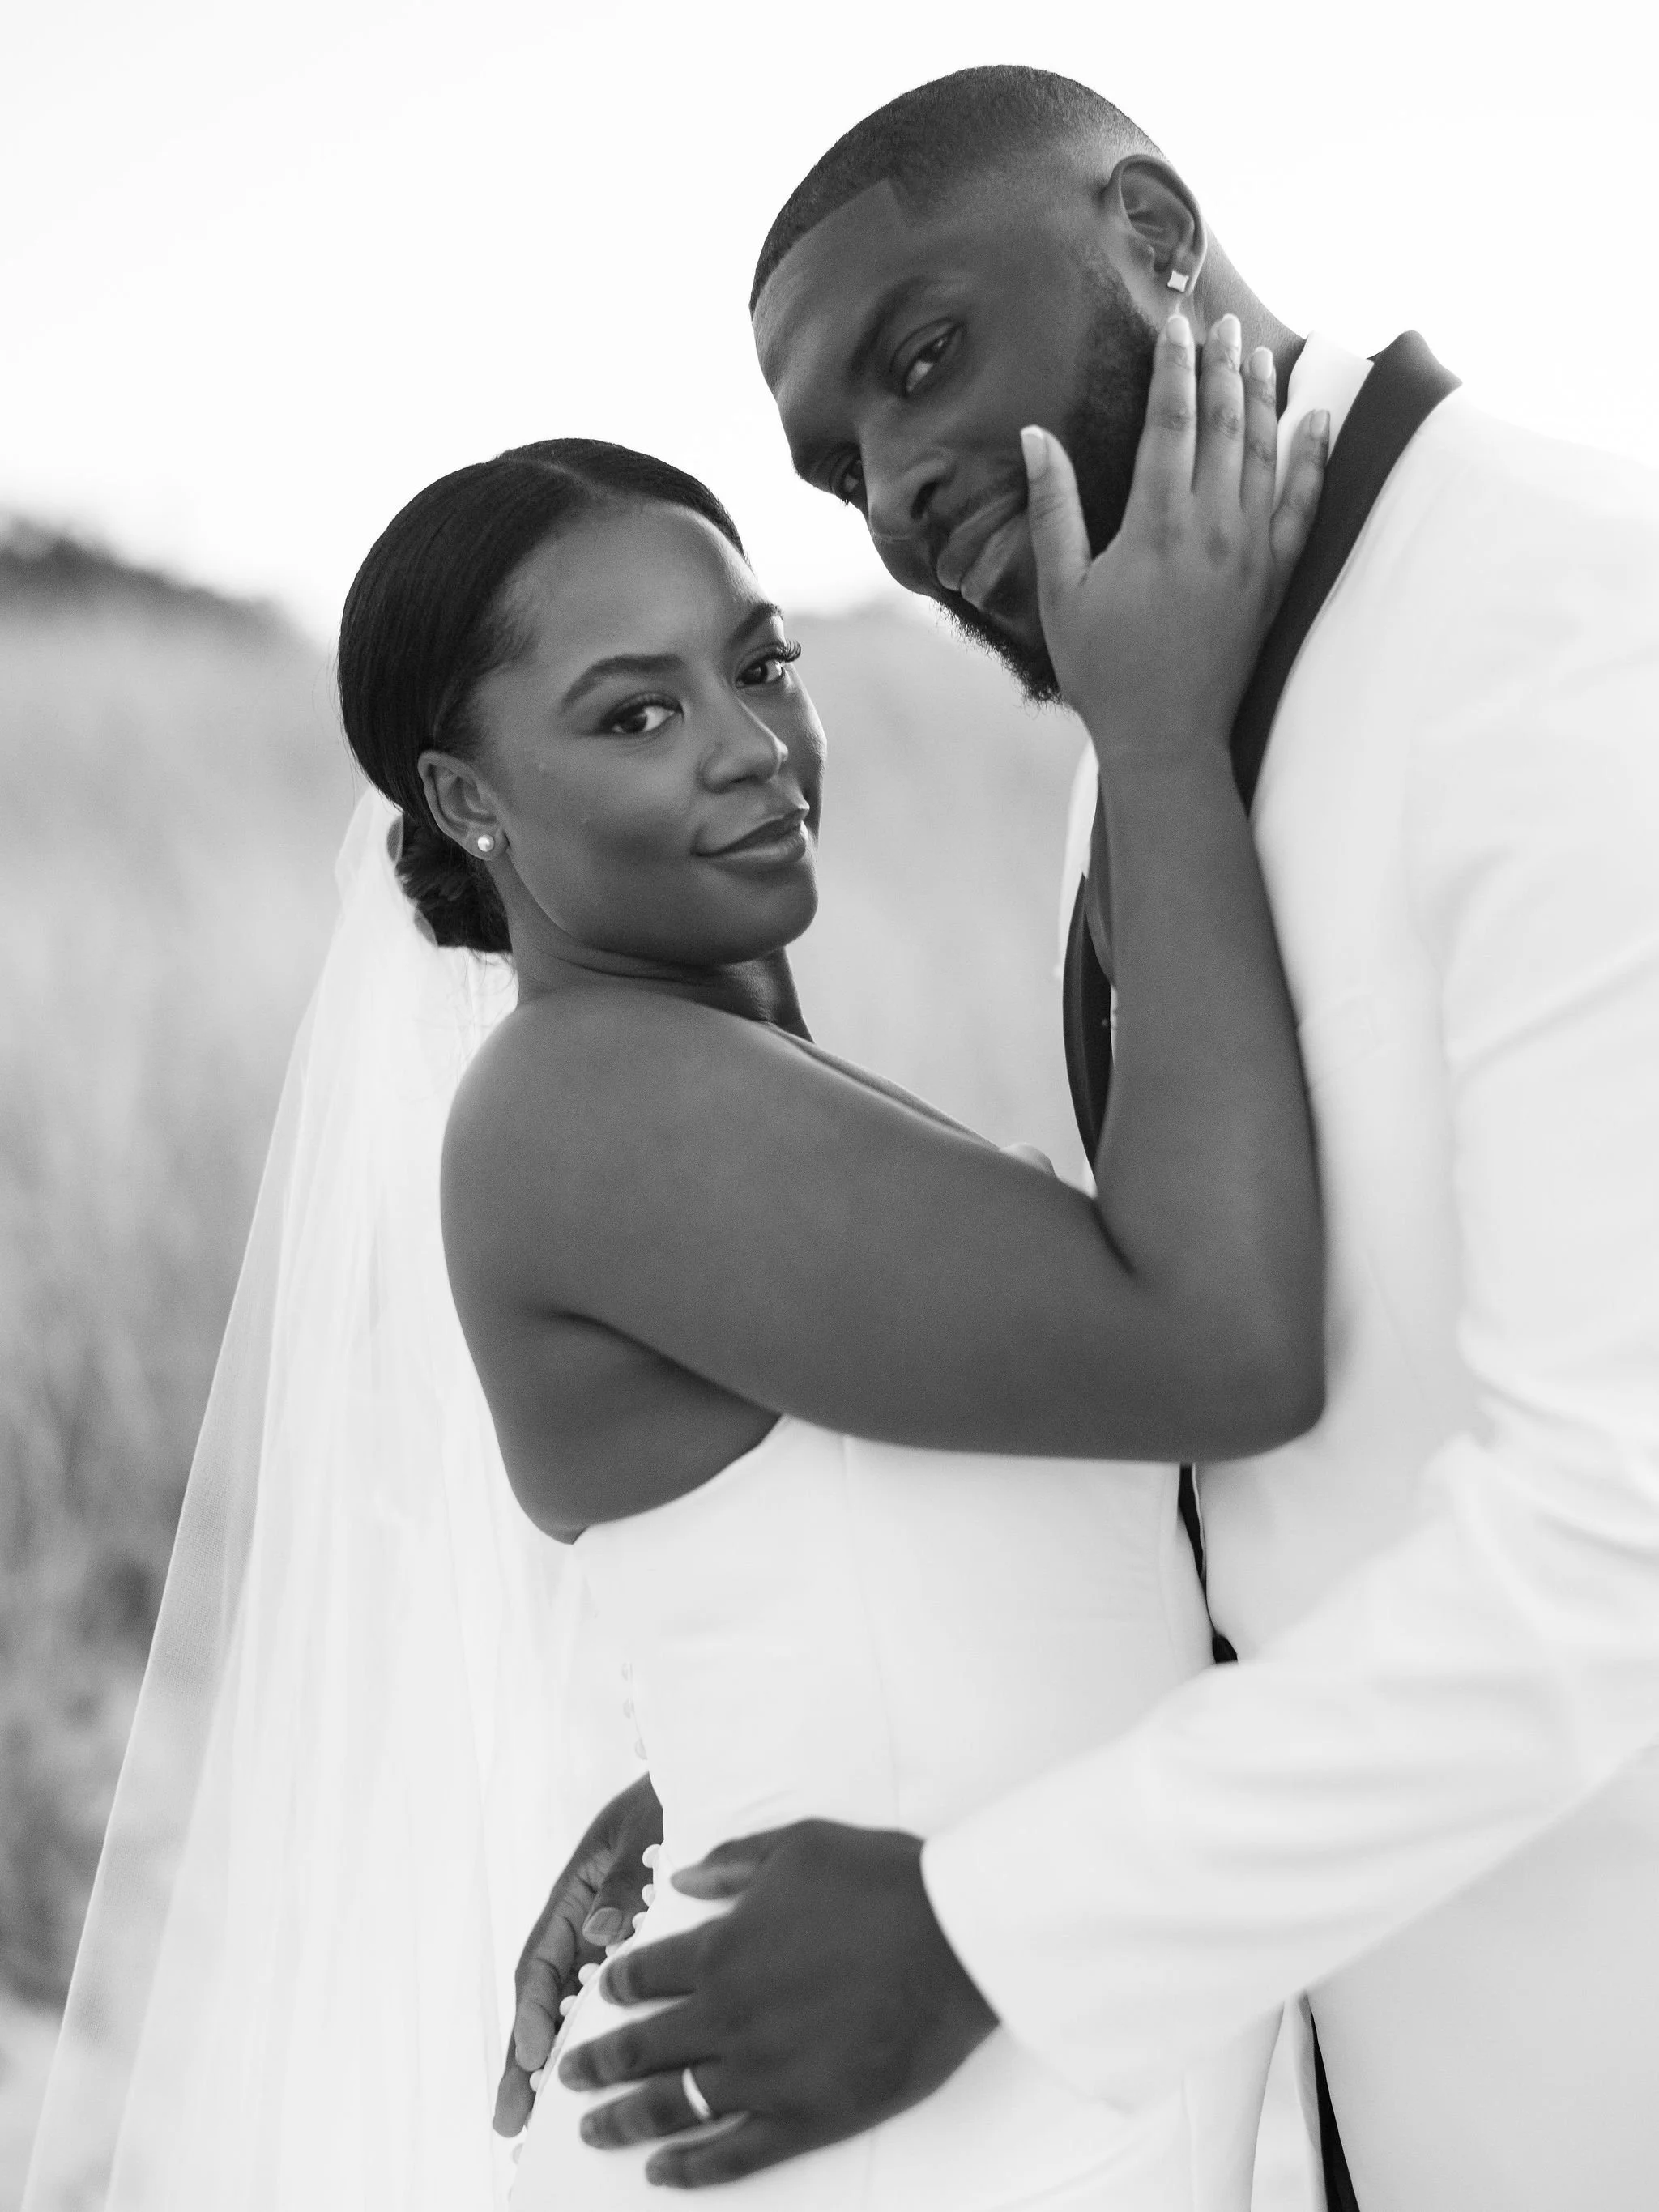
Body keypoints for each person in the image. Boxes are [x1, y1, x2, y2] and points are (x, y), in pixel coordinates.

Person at [541, 63, 1659, 2212]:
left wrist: (987, 1934)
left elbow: (1622, 1536)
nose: (895, 490)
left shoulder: (1578, 633)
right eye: (839, 465)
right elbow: (1236, 1477)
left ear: (1151, 234)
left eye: (922, 358)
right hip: (1346, 2063)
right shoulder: (1148, 717)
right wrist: (777, 1756)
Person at [326, 365, 1324, 2212]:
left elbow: (893, 1563)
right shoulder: (588, 1105)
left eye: (761, 664)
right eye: (638, 712)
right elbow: (1220, 1347)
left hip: (980, 2073)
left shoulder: (714, 1083)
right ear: (468, 798)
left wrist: (730, 1769)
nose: (753, 749)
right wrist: (1161, 734)